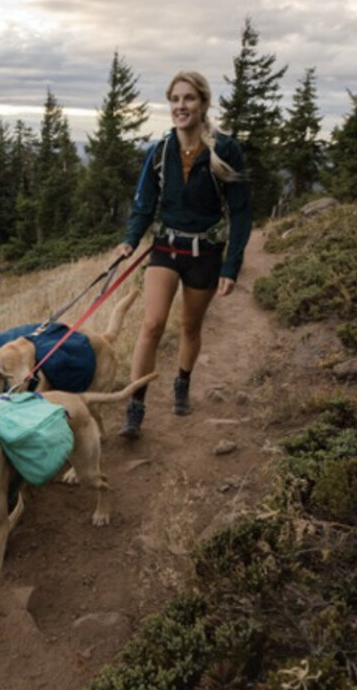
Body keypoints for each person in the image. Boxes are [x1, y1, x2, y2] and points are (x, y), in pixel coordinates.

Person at [114, 70, 252, 439]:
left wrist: (231, 266)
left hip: (205, 253)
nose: (181, 106)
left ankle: (182, 382)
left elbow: (241, 212)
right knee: (152, 324)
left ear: (203, 103)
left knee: (190, 327)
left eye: (188, 99)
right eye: (175, 99)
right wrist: (130, 239)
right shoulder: (160, 151)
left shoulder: (225, 149)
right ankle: (135, 405)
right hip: (165, 248)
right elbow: (144, 203)